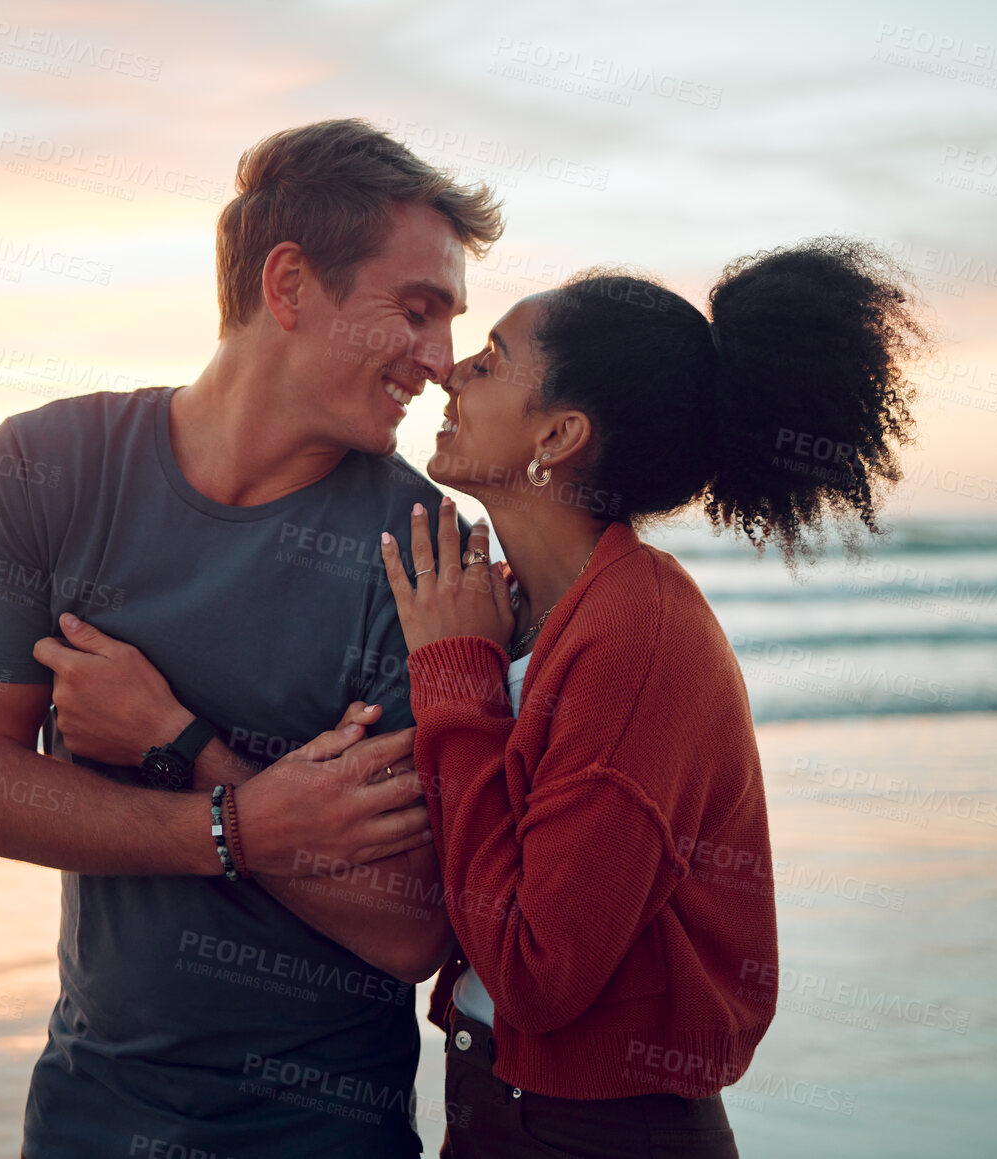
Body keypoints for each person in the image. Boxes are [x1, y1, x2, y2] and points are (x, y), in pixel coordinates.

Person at [0, 118, 500, 1158]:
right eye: (415, 312)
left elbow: (410, 926)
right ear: (288, 286)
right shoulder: (45, 469)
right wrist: (239, 825)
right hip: (84, 1115)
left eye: (449, 322)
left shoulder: (428, 553)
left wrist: (182, 748)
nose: (442, 362)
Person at [377, 242, 931, 1158]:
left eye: (495, 358)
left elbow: (536, 969)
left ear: (559, 436)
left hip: (599, 1133)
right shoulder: (514, 607)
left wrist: (455, 676)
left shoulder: (640, 638)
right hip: (492, 1103)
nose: (454, 370)